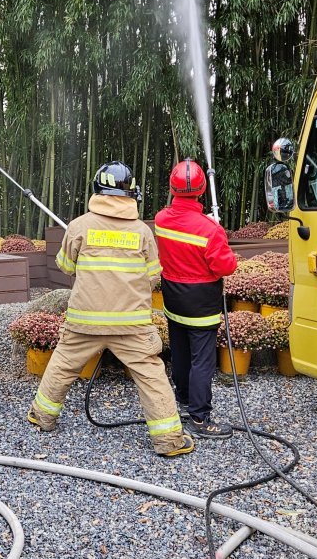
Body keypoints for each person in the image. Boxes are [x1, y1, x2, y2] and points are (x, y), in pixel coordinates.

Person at [27, 161, 194, 459]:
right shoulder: (142, 232)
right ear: (130, 193)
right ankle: (169, 440)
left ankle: (43, 416)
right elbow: (154, 274)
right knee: (150, 374)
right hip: (132, 324)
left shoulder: (79, 226)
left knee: (64, 363)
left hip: (85, 321)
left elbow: (65, 266)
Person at [154, 158, 238, 440]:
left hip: (172, 298)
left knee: (179, 353)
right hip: (201, 302)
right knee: (202, 360)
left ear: (172, 187)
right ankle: (200, 419)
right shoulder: (210, 230)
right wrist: (218, 234)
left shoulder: (161, 220)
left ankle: (184, 401)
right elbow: (225, 267)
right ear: (201, 190)